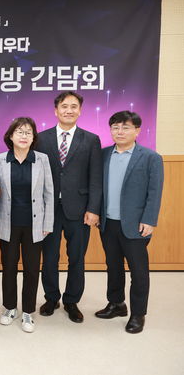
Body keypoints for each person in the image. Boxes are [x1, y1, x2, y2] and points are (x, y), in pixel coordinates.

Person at [36, 91, 102, 323]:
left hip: (80, 209)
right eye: (64, 106)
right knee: (49, 257)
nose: (69, 110)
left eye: (74, 106)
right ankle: (51, 298)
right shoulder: (40, 138)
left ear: (80, 111)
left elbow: (96, 177)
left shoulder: (91, 139)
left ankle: (72, 301)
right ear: (56, 110)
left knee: (77, 258)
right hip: (49, 210)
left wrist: (94, 209)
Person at [95, 111, 163, 334]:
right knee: (113, 266)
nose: (120, 131)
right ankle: (117, 304)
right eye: (115, 127)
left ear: (137, 130)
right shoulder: (104, 154)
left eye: (125, 127)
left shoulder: (151, 157)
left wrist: (149, 220)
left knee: (138, 271)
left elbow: (155, 192)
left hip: (136, 225)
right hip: (108, 223)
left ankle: (138, 314)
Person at [0, 117, 53, 333]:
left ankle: (28, 311)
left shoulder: (42, 159)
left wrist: (48, 222)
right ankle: (10, 308)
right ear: (10, 136)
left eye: (28, 132)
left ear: (33, 137)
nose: (24, 136)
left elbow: (49, 192)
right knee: (9, 267)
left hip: (34, 224)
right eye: (19, 132)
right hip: (7, 223)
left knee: (32, 269)